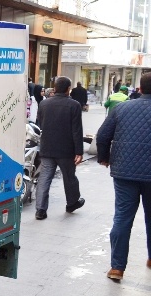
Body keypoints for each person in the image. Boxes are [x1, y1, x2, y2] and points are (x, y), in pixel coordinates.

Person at [95, 72, 151, 281]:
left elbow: (103, 135)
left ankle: (117, 268)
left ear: (140, 88)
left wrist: (104, 158)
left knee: (122, 217)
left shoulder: (121, 108)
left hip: (125, 171)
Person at [34, 76, 85, 220]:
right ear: (68, 89)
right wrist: (79, 151)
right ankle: (72, 203)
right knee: (69, 177)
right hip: (66, 149)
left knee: (44, 178)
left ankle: (40, 210)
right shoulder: (74, 105)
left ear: (55, 88)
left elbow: (41, 123)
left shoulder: (44, 104)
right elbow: (77, 130)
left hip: (47, 147)